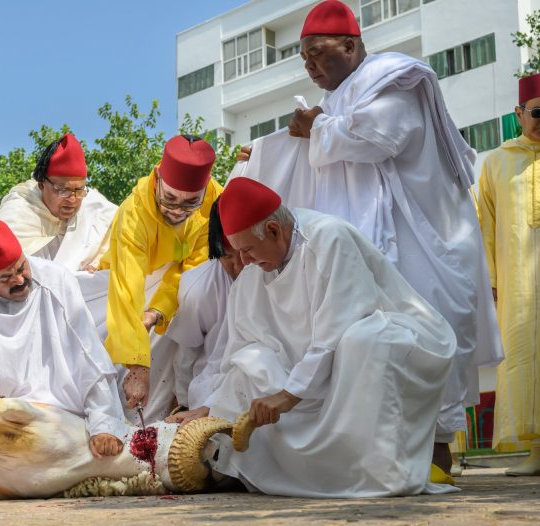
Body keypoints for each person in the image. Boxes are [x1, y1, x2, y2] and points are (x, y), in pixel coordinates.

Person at [236, 0, 502, 471]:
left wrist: (316, 127)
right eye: (303, 57)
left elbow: (378, 138)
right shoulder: (339, 100)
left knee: (430, 331)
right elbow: (320, 144)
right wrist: (263, 151)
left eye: (318, 52)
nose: (310, 65)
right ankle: (385, 453)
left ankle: (437, 451)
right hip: (375, 243)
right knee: (371, 342)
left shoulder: (393, 79)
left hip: (423, 239)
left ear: (350, 45)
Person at [203, 178, 457, 498]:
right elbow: (240, 346)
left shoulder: (328, 238)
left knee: (365, 340)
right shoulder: (253, 273)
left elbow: (337, 329)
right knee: (250, 363)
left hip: (386, 343)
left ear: (273, 230)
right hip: (307, 370)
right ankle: (262, 470)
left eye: (247, 250)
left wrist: (288, 395)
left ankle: (379, 471)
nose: (243, 263)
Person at [0, 217, 130, 458]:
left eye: (21, 267)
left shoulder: (56, 280)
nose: (20, 280)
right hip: (7, 415)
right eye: (6, 278)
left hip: (68, 416)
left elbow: (88, 357)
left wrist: (103, 425)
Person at [99, 135, 222, 423]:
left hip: (176, 292)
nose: (178, 211)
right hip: (128, 285)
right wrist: (138, 366)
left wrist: (156, 312)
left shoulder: (216, 202)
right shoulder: (133, 213)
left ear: (205, 189)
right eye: (169, 199)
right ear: (157, 179)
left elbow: (194, 270)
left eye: (190, 203)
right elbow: (126, 289)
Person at [477, 73, 540, 476]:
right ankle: (537, 449)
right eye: (537, 112)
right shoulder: (497, 162)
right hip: (518, 285)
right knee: (523, 360)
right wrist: (492, 282)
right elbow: (485, 224)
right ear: (519, 113)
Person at [165, 198, 243, 423]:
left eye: (243, 252)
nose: (239, 266)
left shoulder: (267, 270)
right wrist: (182, 403)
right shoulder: (198, 287)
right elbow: (186, 355)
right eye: (228, 256)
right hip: (209, 388)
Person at [0, 133, 116, 270]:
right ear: (41, 185)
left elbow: (114, 244)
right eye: (63, 190)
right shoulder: (18, 210)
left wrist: (98, 262)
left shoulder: (96, 208)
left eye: (79, 190)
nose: (72, 199)